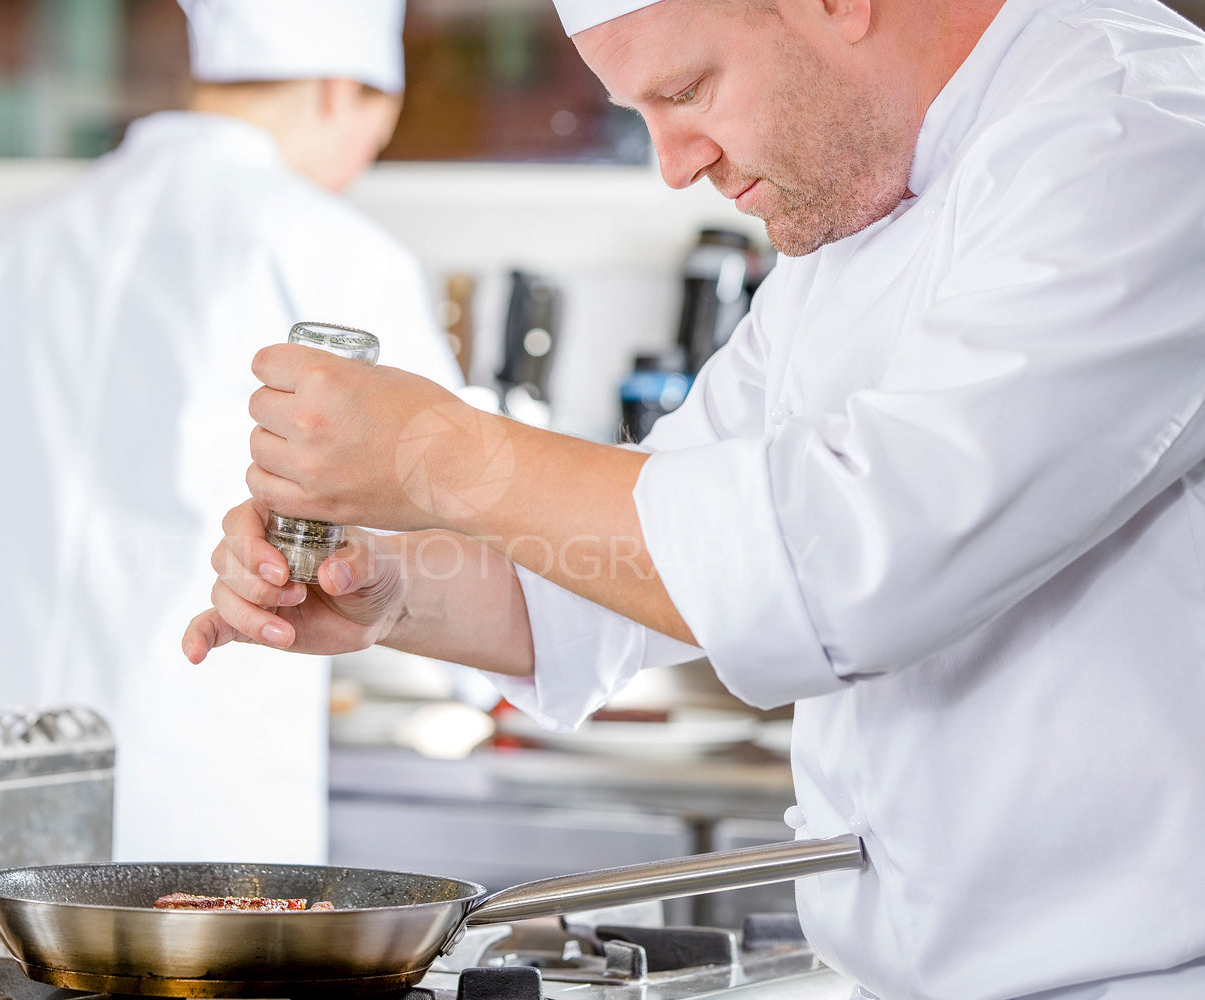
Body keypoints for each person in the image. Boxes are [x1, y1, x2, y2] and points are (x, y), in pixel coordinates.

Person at [183, 0, 1205, 996]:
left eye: (687, 88)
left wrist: (436, 454)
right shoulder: (859, 202)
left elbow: (845, 560)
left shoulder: (1140, 137)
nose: (676, 164)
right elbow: (648, 548)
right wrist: (394, 587)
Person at [0, 0, 462, 864]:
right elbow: (446, 529)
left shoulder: (9, 246)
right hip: (193, 801)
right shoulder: (337, 254)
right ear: (341, 93)